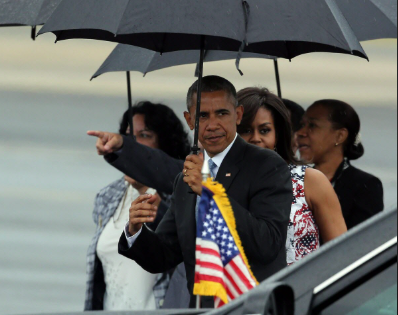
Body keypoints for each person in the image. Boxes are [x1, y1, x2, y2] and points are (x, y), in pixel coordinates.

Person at [115, 76, 293, 309]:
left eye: (222, 113)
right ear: (189, 120)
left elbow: (267, 243)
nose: (212, 125)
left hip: (254, 307)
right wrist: (135, 230)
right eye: (202, 116)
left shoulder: (267, 165)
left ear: (237, 115)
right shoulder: (185, 179)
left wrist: (211, 191)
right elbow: (165, 254)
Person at [84, 101, 191, 311]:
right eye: (128, 137)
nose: (134, 145)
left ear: (164, 146)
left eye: (144, 135)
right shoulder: (107, 196)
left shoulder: (179, 193)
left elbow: (174, 249)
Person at [237, 88, 347, 265]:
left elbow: (343, 254)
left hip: (303, 289)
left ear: (278, 135)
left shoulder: (310, 181)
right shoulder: (218, 183)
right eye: (245, 130)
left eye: (264, 130)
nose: (255, 138)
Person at [297, 99, 384, 230]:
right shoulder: (293, 181)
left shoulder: (365, 186)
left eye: (312, 125)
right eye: (302, 125)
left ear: (340, 136)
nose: (301, 132)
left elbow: (362, 243)